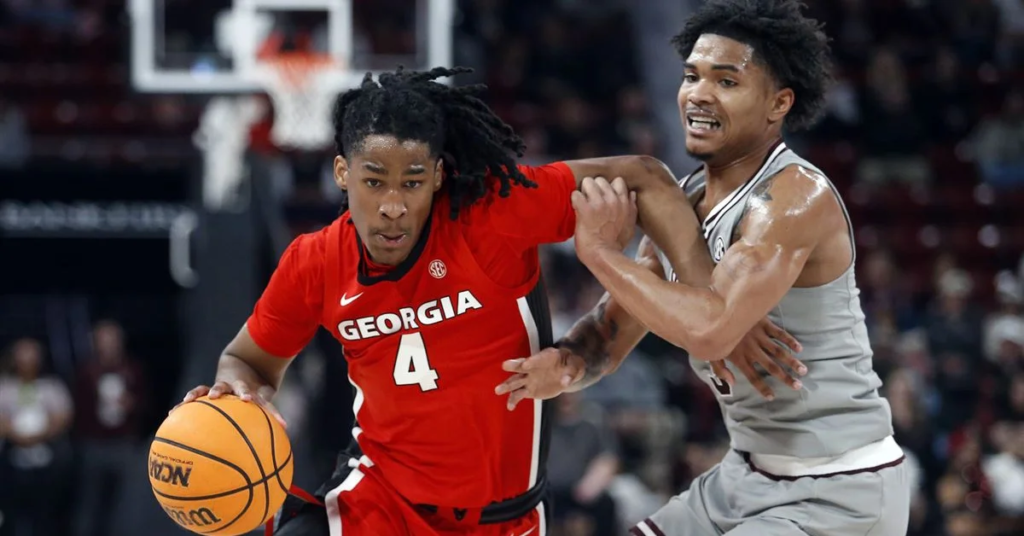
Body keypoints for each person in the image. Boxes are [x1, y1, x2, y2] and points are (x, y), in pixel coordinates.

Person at [174, 66, 794, 536]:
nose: (393, 205)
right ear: (342, 173)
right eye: (373, 181)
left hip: (506, 517)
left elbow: (647, 179)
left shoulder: (491, 214)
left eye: (413, 182)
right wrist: (239, 389)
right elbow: (248, 360)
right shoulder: (314, 261)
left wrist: (716, 306)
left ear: (439, 177)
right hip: (381, 504)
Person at [499, 1, 911, 535]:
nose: (699, 93)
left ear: (778, 103)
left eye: (726, 81)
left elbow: (711, 330)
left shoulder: (792, 198)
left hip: (840, 487)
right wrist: (565, 365)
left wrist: (600, 253)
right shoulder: (687, 198)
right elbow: (609, 332)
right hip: (744, 474)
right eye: (692, 76)